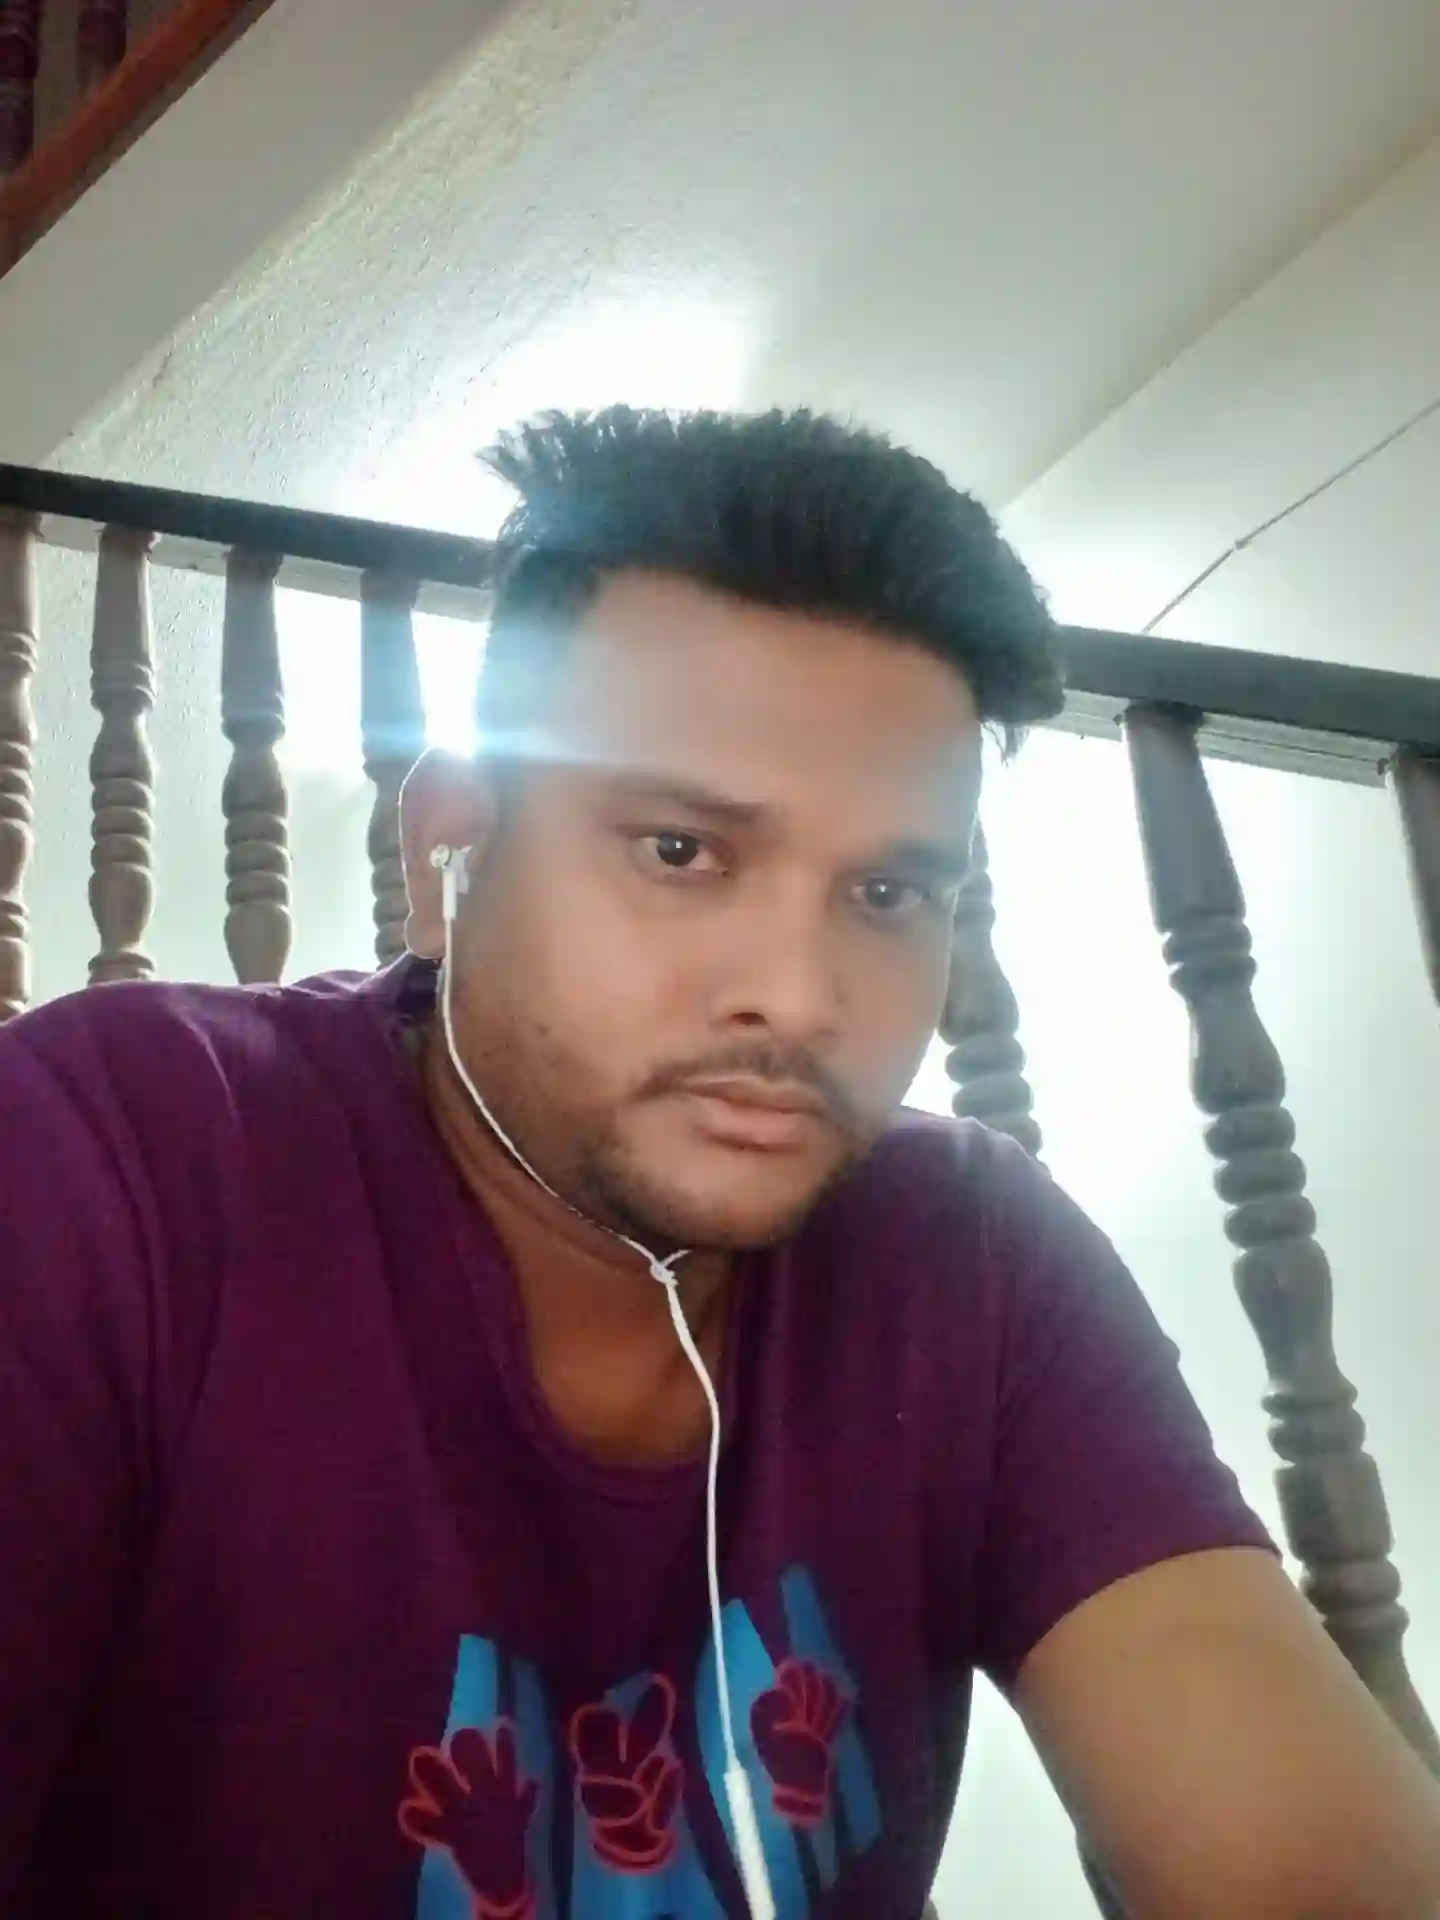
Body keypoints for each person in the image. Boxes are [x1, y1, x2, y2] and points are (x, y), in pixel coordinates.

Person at [2, 407, 1437, 1920]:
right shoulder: (123, 1154)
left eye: (885, 893)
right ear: (448, 849)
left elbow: (1301, 1853)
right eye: (681, 852)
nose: (800, 998)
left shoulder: (971, 1256)